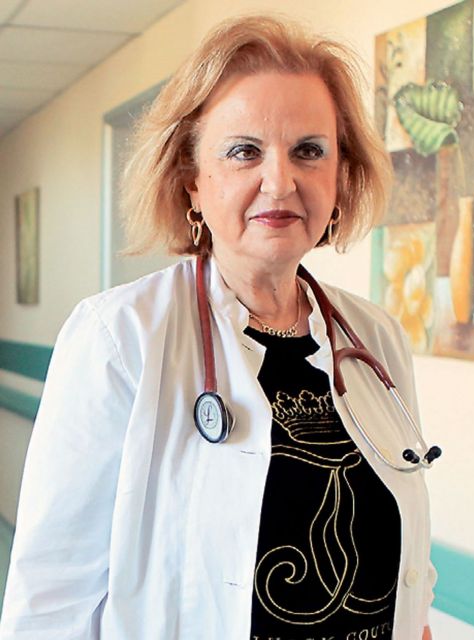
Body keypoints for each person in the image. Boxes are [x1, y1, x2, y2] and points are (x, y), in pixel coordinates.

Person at [0, 14, 436, 640]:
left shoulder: (376, 338)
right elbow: (51, 604)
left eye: (309, 150)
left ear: (341, 177)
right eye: (244, 152)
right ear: (192, 185)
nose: (280, 181)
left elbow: (410, 567)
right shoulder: (119, 339)